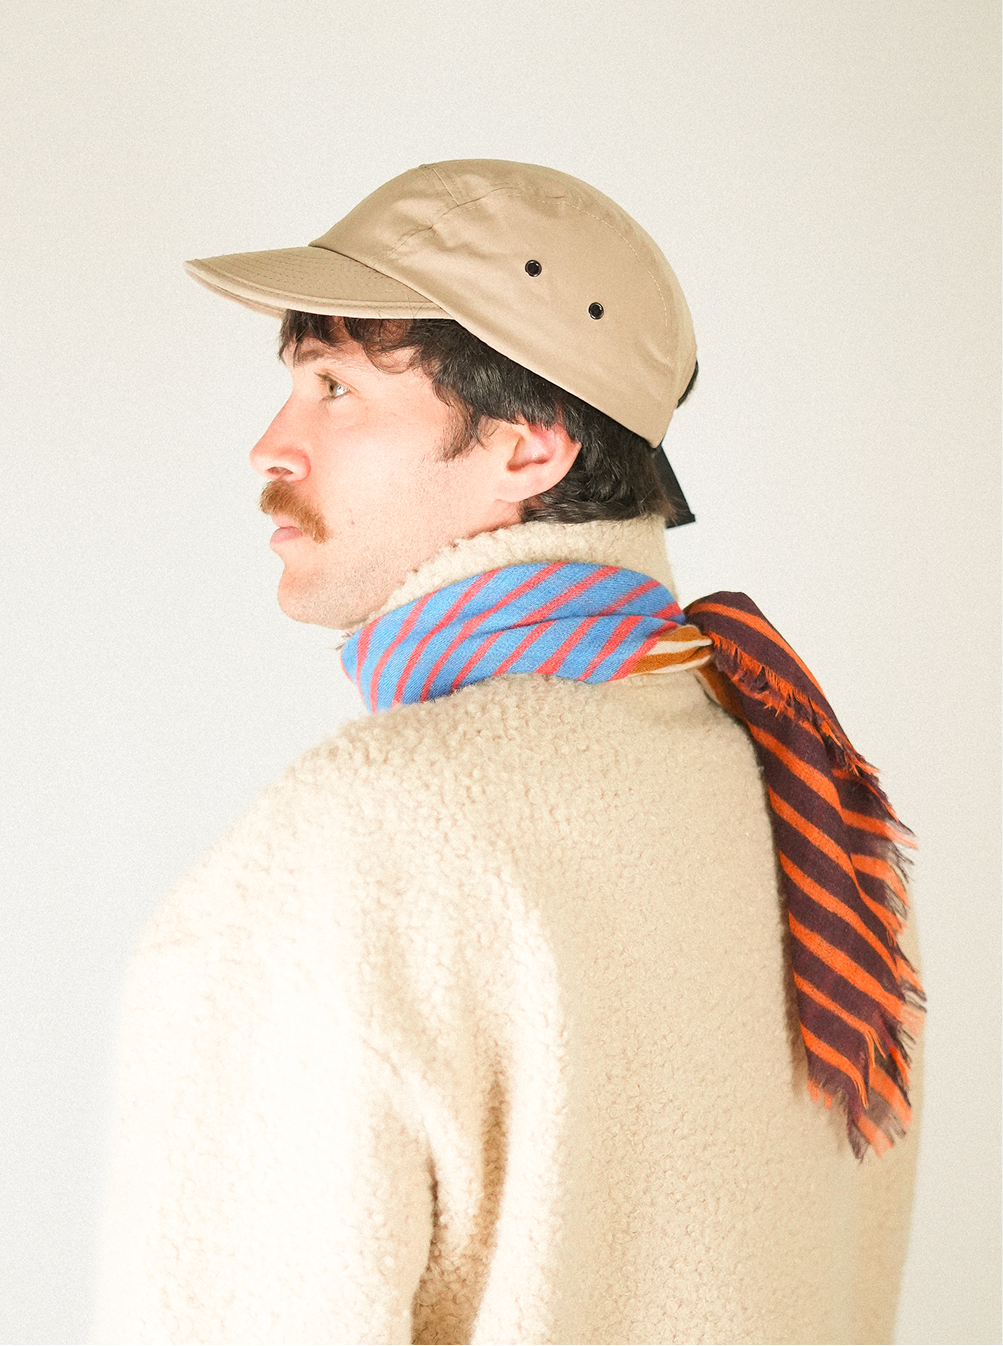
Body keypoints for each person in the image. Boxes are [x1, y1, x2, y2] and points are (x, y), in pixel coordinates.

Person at [91, 160, 923, 1346]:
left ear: (527, 451)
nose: (271, 445)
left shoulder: (359, 841)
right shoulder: (807, 801)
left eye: (335, 387)